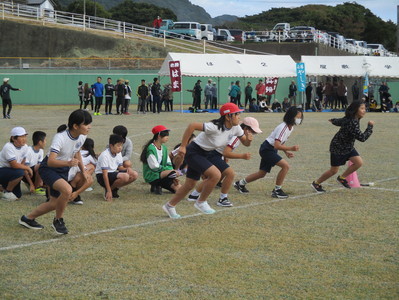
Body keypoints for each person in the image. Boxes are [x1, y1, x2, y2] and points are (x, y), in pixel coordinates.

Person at [162, 103, 251, 219]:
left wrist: (248, 140)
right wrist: (183, 146)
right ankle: (201, 202)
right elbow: (192, 126)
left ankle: (169, 206)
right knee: (216, 175)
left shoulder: (236, 128)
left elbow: (245, 142)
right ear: (228, 116)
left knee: (189, 185)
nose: (239, 117)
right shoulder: (214, 126)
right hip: (194, 152)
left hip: (205, 154)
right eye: (237, 114)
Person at [19, 110, 92, 234]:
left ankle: (27, 218)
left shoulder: (82, 136)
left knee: (54, 203)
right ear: (75, 126)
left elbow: (77, 151)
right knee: (67, 190)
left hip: (63, 169)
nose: (89, 127)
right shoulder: (60, 137)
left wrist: (83, 170)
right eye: (86, 124)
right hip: (49, 168)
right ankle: (58, 220)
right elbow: (50, 161)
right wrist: (68, 163)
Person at [188, 117, 261, 207]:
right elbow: (226, 153)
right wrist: (242, 156)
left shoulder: (238, 133)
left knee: (214, 177)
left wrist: (249, 140)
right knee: (230, 174)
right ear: (246, 129)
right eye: (253, 132)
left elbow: (245, 144)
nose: (253, 134)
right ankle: (223, 198)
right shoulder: (236, 136)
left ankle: (194, 195)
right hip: (213, 154)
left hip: (215, 154)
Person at [234, 106, 303, 199]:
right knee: (285, 166)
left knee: (262, 173)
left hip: (269, 149)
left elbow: (281, 142)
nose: (299, 120)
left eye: (300, 118)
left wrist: (286, 151)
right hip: (267, 149)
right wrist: (291, 148)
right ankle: (277, 190)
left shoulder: (290, 128)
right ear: (291, 116)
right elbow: (277, 145)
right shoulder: (283, 127)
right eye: (297, 117)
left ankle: (240, 183)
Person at [311, 101, 374, 193]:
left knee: (358, 162)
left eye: (365, 108)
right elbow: (362, 138)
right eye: (362, 108)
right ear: (355, 110)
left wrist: (333, 120)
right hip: (338, 147)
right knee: (333, 170)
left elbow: (340, 121)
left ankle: (341, 178)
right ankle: (316, 183)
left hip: (348, 147)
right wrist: (370, 127)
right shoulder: (352, 122)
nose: (364, 111)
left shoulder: (352, 118)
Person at [140, 125, 181, 195]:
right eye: (165, 135)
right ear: (159, 136)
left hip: (163, 174)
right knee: (173, 172)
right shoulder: (151, 149)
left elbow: (168, 163)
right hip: (152, 175)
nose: (167, 137)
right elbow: (154, 167)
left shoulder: (164, 148)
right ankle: (156, 184)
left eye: (167, 135)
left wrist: (172, 175)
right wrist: (169, 172)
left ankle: (158, 185)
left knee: (180, 190)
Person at [96, 134, 138, 202]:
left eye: (121, 145)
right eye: (118, 145)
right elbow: (105, 174)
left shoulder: (118, 153)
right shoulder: (104, 155)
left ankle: (113, 189)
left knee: (134, 174)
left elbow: (120, 167)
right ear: (111, 145)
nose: (120, 148)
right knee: (125, 176)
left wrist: (127, 169)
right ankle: (109, 191)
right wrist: (108, 190)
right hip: (101, 176)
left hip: (112, 173)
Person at [0, 127, 32, 201]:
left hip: (10, 172)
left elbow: (22, 164)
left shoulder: (25, 147)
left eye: (25, 136)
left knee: (18, 195)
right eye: (21, 137)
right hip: (2, 170)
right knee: (20, 172)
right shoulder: (8, 147)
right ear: (13, 138)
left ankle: (5, 189)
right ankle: (7, 192)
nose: (24, 139)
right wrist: (27, 168)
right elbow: (14, 165)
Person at [67, 137, 96, 205]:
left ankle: (73, 190)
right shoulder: (90, 155)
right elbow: (96, 165)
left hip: (67, 175)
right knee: (91, 168)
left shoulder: (77, 152)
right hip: (69, 176)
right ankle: (74, 192)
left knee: (82, 172)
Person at [22, 131, 47, 196]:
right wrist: (31, 184)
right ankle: (37, 188)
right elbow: (25, 169)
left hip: (35, 174)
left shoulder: (41, 151)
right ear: (40, 142)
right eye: (45, 140)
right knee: (40, 166)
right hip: (27, 175)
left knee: (45, 166)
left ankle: (41, 186)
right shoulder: (28, 150)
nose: (45, 142)